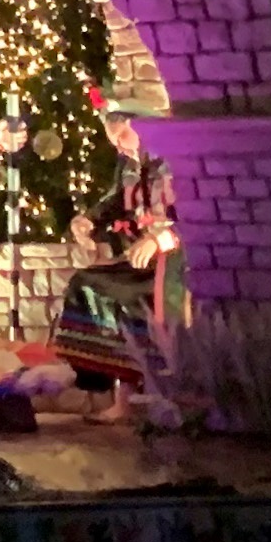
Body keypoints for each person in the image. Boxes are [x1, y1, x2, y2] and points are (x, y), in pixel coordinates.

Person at [52, 85, 182, 400]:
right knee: (86, 284)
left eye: (122, 137)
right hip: (140, 261)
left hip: (180, 263)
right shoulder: (129, 164)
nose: (120, 149)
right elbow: (116, 200)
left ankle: (144, 391)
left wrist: (159, 240)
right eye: (114, 142)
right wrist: (89, 220)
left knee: (124, 297)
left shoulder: (177, 160)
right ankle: (101, 391)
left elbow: (201, 213)